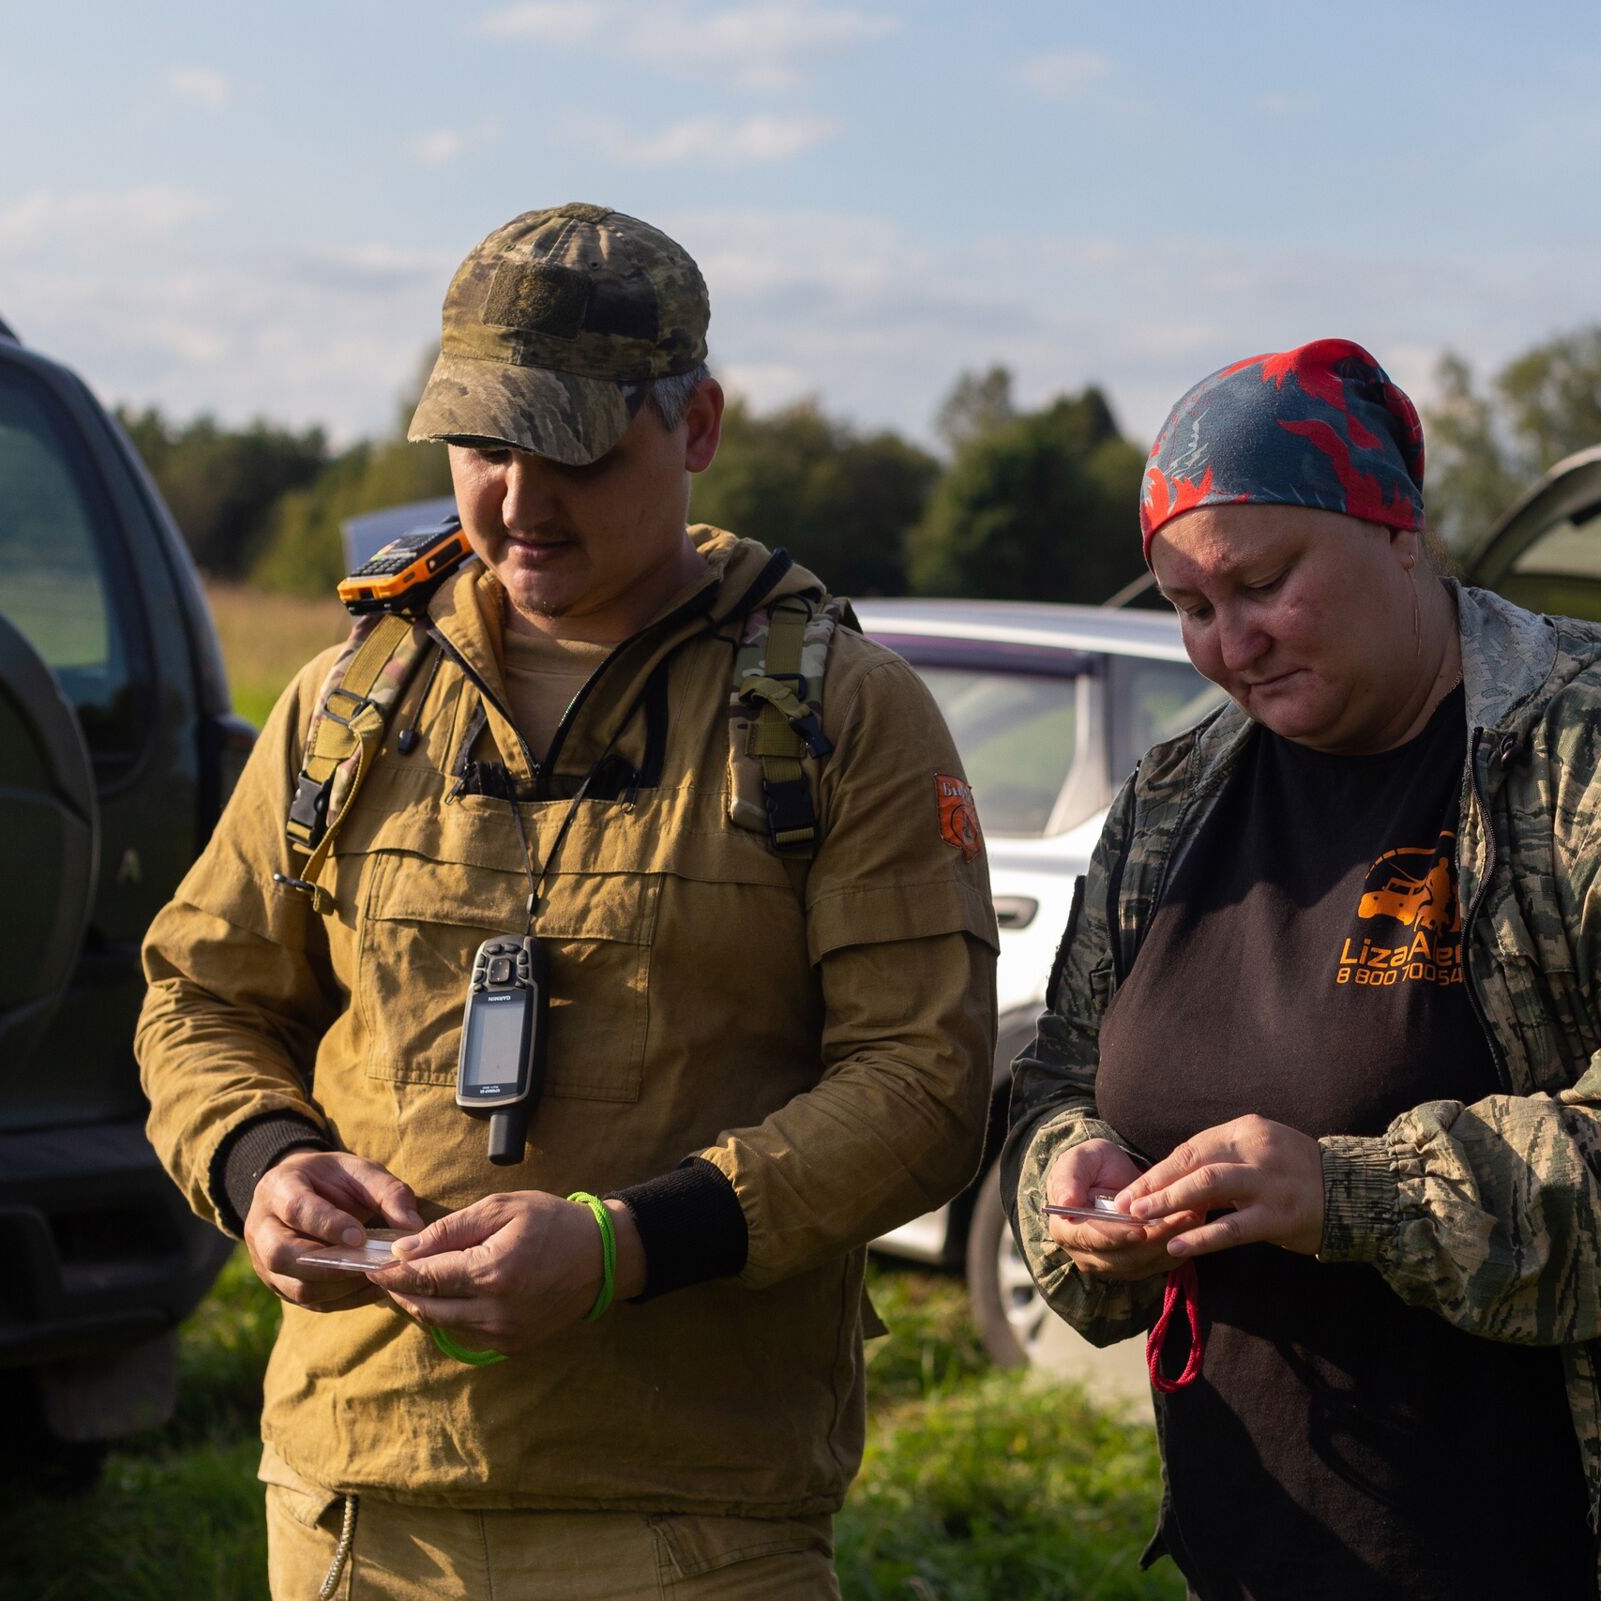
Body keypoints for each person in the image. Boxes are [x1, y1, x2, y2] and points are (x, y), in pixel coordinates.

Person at [138, 203, 997, 1600]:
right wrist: (259, 1169)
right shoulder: (348, 698)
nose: (520, 505)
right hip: (359, 1507)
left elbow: (923, 1082)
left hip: (693, 1523)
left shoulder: (842, 713)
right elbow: (200, 994)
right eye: (483, 449)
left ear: (699, 424)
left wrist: (623, 1247)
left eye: (575, 450)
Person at [1002, 338, 1601, 1601]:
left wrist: (1352, 1196)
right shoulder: (1175, 798)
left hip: (1582, 1549)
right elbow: (1061, 1072)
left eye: (1264, 583)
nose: (1232, 642)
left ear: (1399, 530)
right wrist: (1072, 1185)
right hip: (1263, 1544)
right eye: (1188, 608)